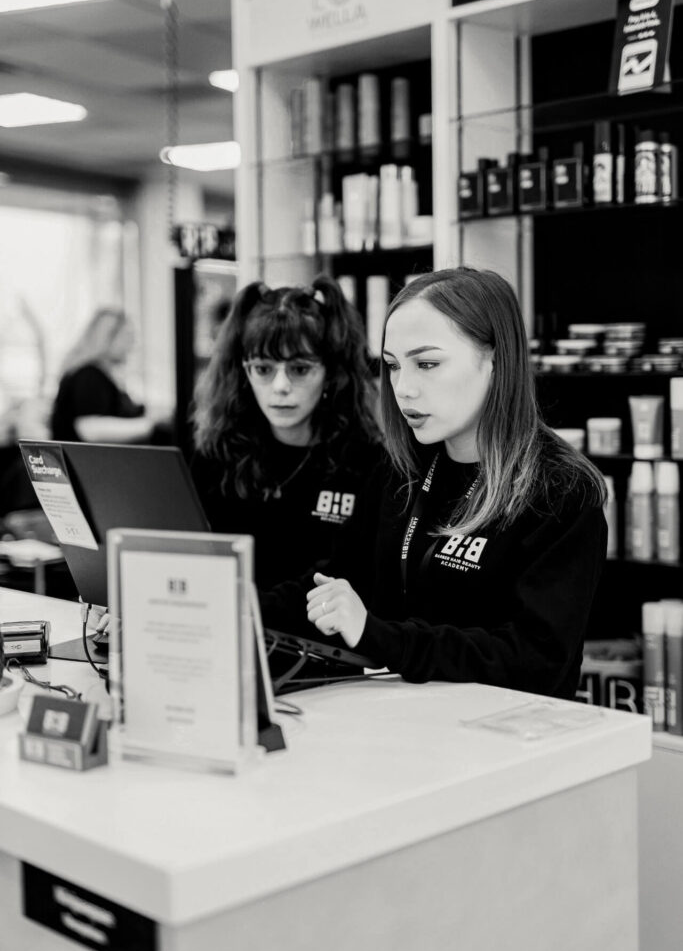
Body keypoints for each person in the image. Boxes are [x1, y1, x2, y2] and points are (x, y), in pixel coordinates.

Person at [263, 266, 607, 699]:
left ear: (496, 359)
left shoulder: (559, 491)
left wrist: (379, 636)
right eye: (392, 366)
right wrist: (236, 606)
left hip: (506, 731)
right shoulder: (400, 471)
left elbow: (535, 661)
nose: (403, 388)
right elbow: (332, 583)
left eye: (427, 364)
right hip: (401, 722)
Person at [191, 274, 385, 592]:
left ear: (331, 373)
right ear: (244, 373)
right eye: (263, 369)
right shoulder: (217, 455)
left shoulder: (367, 463)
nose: (280, 386)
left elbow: (353, 576)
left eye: (300, 369)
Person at [50, 308, 156, 443]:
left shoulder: (98, 375)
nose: (133, 343)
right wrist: (150, 425)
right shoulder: (88, 375)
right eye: (128, 336)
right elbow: (90, 429)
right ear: (107, 338)